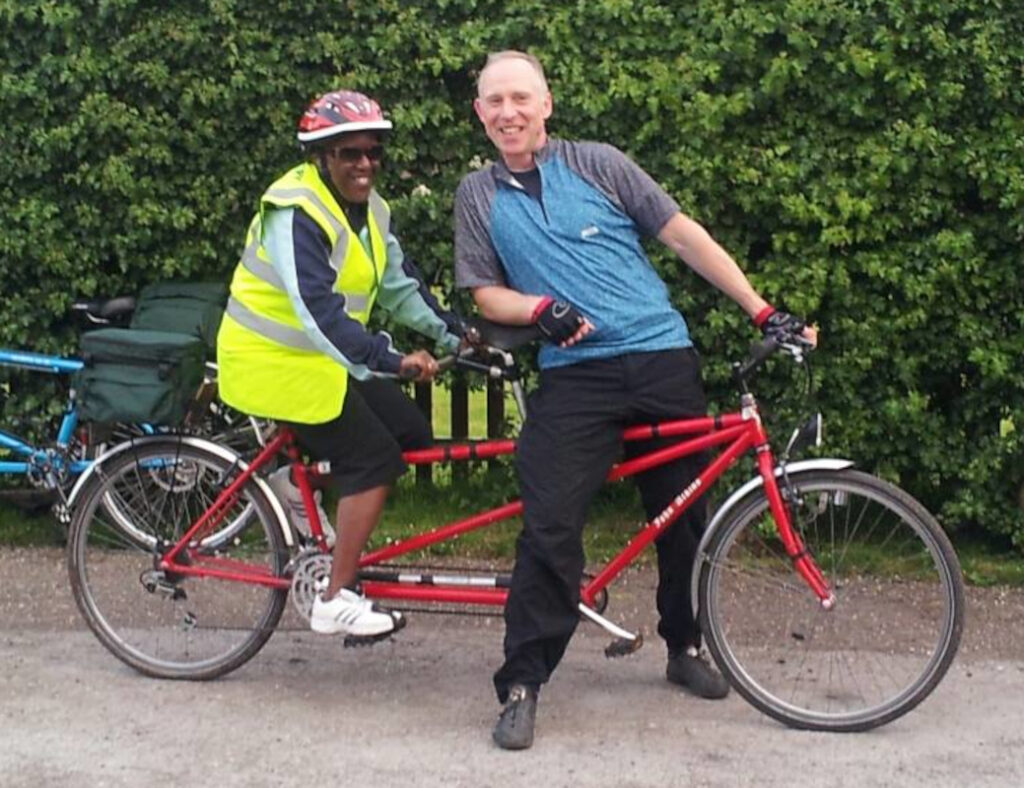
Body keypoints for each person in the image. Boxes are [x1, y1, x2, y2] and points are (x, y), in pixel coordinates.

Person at [454, 51, 816, 749]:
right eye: (495, 101)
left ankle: (683, 648)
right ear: (480, 114)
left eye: (520, 98)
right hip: (574, 373)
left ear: (547, 103)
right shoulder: (477, 193)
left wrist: (759, 308)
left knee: (685, 517)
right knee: (550, 526)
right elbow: (482, 293)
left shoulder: (599, 163)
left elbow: (681, 236)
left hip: (659, 357)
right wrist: (538, 309)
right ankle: (524, 682)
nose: (509, 112)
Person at [217, 89, 464, 640]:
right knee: (373, 460)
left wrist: (461, 334)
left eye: (373, 152)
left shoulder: (371, 210)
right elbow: (317, 311)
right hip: (272, 362)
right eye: (349, 153)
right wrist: (393, 360)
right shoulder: (296, 208)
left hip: (323, 362)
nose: (364, 164)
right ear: (321, 157)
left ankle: (292, 485)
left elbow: (401, 288)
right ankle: (335, 597)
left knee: (411, 432)